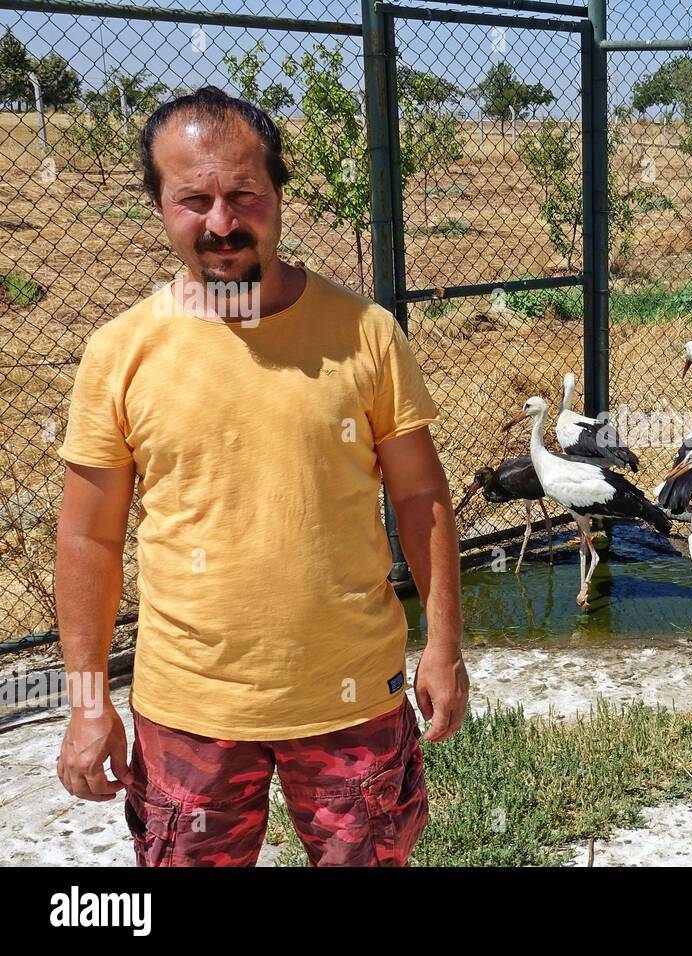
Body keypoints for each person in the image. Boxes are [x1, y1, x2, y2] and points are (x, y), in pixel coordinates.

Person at [53, 86, 467, 866]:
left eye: (243, 192)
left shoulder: (366, 335)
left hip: (352, 699)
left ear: (278, 192)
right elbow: (86, 537)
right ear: (159, 205)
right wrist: (85, 704)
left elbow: (422, 498)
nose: (221, 221)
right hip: (189, 710)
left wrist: (443, 646)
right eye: (193, 199)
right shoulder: (121, 353)